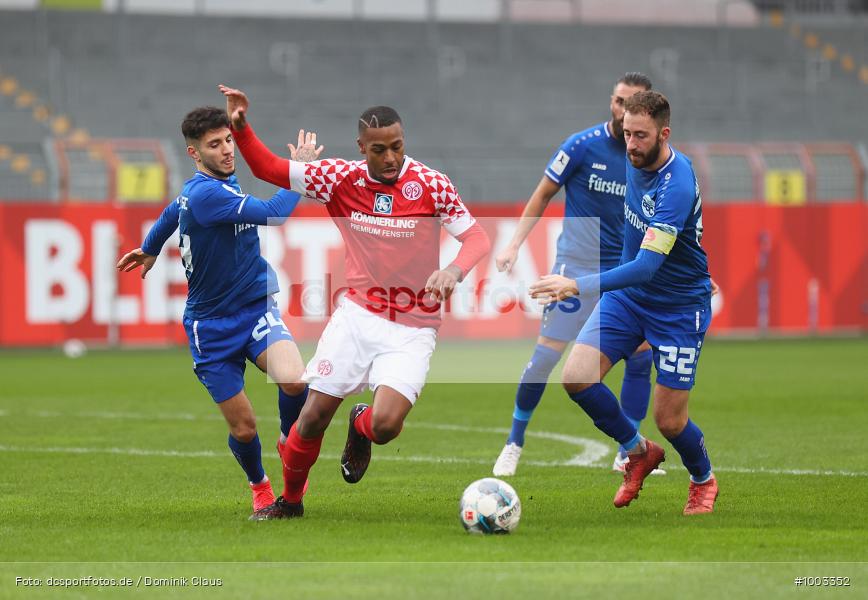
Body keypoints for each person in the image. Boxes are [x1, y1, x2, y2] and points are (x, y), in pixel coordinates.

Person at [219, 84, 491, 519]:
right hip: (357, 317)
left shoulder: (431, 184)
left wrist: (453, 270)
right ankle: (290, 503)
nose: (390, 158)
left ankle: (360, 424)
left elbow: (476, 237)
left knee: (385, 427)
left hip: (413, 326)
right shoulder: (340, 178)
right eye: (379, 149)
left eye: (398, 147)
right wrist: (242, 127)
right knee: (309, 420)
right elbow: (270, 168)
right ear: (361, 148)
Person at [116, 106, 317, 520]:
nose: (227, 150)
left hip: (254, 308)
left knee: (295, 379)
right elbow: (275, 213)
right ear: (194, 153)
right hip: (211, 329)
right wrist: (298, 170)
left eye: (228, 140)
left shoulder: (211, 184)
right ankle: (260, 486)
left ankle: (286, 442)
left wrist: (151, 246)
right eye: (215, 145)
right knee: (243, 428)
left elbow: (173, 210)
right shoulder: (208, 195)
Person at [529, 91, 719, 515]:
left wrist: (575, 284)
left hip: (676, 307)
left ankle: (703, 479)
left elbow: (648, 266)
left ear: (664, 134)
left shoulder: (678, 183)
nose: (630, 144)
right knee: (576, 377)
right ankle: (637, 451)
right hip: (630, 300)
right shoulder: (633, 160)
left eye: (641, 136)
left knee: (670, 420)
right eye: (627, 133)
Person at [492, 73, 661, 478]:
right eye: (619, 102)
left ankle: (629, 450)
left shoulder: (649, 158)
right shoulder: (582, 146)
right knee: (545, 359)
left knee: (641, 358)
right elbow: (543, 193)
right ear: (612, 102)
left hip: (621, 272)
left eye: (632, 104)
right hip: (574, 268)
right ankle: (514, 442)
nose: (623, 111)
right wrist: (515, 243)